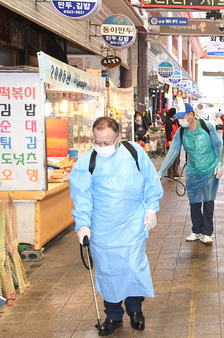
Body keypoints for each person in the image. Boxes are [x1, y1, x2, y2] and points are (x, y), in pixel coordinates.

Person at [70, 117, 163, 336]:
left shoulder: (134, 152)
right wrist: (82, 224)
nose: (102, 147)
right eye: (97, 142)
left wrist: (151, 208)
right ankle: (113, 316)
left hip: (132, 224)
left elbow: (150, 181)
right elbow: (81, 196)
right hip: (102, 228)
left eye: (106, 142)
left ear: (118, 138)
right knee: (108, 272)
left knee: (132, 268)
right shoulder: (87, 162)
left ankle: (135, 310)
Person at [158, 102, 224, 245]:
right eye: (178, 117)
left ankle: (207, 233)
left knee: (208, 201)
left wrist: (220, 163)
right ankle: (196, 231)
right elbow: (173, 151)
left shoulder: (207, 127)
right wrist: (161, 171)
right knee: (194, 202)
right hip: (193, 171)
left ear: (191, 115)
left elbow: (218, 145)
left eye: (182, 117)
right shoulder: (181, 131)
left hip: (209, 169)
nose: (179, 120)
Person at [164, 108, 180, 178]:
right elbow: (168, 134)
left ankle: (176, 173)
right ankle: (170, 175)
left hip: (177, 143)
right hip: (171, 144)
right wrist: (170, 143)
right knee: (170, 160)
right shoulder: (168, 123)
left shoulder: (176, 121)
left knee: (176, 159)